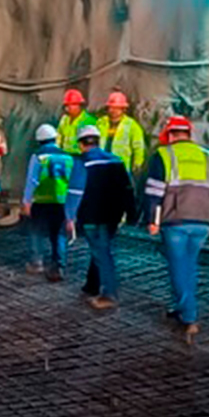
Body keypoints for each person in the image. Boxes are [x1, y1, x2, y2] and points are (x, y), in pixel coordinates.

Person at [145, 115, 209, 339]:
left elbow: (154, 193)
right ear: (189, 134)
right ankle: (180, 307)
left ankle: (189, 316)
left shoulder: (163, 155)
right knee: (189, 266)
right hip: (204, 221)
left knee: (178, 267)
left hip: (176, 221)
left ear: (170, 135)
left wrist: (152, 220)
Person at [65, 125, 137, 310]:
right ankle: (92, 285)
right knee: (100, 249)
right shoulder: (116, 161)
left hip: (91, 215)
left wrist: (69, 217)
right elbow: (127, 189)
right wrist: (131, 214)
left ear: (81, 144)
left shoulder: (82, 163)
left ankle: (109, 294)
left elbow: (75, 191)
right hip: (113, 214)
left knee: (102, 253)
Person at [22, 124, 74, 281]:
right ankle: (58, 266)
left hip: (42, 200)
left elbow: (32, 180)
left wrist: (26, 201)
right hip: (62, 200)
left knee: (36, 230)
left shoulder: (38, 157)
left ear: (39, 140)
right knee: (59, 233)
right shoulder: (68, 157)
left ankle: (37, 262)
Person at [97, 91, 147, 174]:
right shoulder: (101, 123)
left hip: (121, 166)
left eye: (117, 108)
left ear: (123, 109)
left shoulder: (132, 125)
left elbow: (138, 146)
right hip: (102, 164)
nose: (113, 111)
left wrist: (138, 163)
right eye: (111, 108)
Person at [57, 89, 98, 155]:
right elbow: (59, 138)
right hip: (65, 155)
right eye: (67, 105)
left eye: (73, 104)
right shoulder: (64, 119)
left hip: (81, 156)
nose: (69, 107)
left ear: (80, 105)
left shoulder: (88, 121)